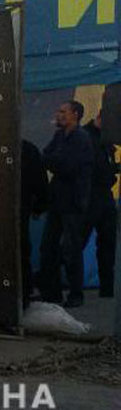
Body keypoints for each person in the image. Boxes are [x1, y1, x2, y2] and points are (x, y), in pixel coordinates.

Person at [39, 100, 95, 308]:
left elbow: (68, 167)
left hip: (73, 203)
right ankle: (51, 293)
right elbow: (47, 157)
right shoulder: (59, 136)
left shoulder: (82, 139)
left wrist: (54, 161)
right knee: (48, 247)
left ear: (75, 114)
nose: (58, 114)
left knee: (71, 249)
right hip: (57, 201)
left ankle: (75, 293)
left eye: (63, 111)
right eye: (58, 110)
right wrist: (55, 160)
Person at [83, 108, 119, 297]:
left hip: (104, 197)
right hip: (89, 197)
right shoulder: (85, 137)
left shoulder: (105, 140)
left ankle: (107, 287)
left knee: (108, 244)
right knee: (76, 244)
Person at [19, 139, 49, 307]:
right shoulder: (28, 149)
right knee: (22, 250)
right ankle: (23, 295)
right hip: (20, 210)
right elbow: (41, 181)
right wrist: (39, 207)